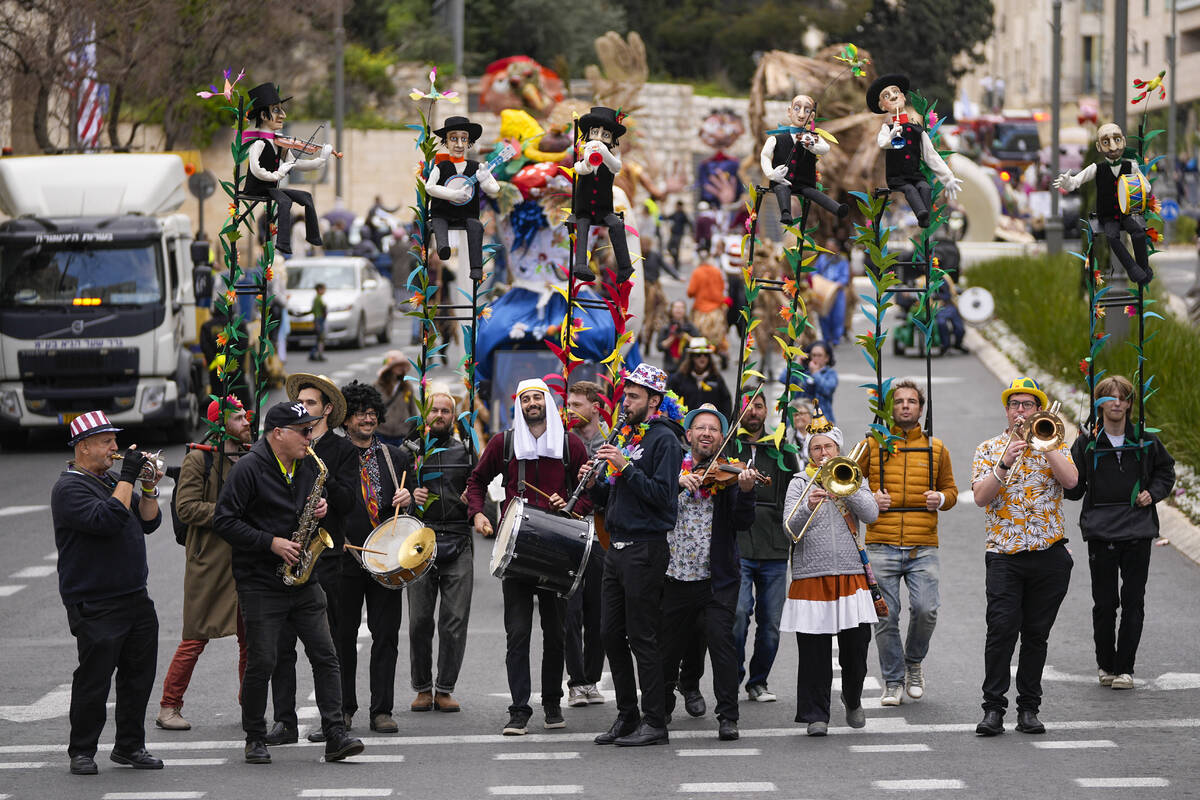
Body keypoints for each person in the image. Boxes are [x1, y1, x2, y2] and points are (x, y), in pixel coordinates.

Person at [214, 400, 365, 764]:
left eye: (311, 429)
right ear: (277, 433)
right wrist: (270, 542)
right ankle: (254, 736)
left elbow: (313, 504)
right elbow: (223, 520)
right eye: (303, 431)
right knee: (262, 661)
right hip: (261, 581)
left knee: (326, 656)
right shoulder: (249, 469)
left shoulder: (309, 466)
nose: (310, 437)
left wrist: (322, 507)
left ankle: (335, 734)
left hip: (304, 577)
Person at [465, 379, 591, 735]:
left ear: (547, 403)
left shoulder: (570, 444)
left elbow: (590, 490)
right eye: (525, 398)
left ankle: (552, 703)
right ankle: (519, 709)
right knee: (517, 634)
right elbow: (476, 481)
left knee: (556, 633)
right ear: (518, 404)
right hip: (516, 548)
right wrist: (478, 512)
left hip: (557, 549)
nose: (532, 403)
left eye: (538, 397)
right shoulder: (504, 443)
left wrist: (570, 506)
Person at [52, 411, 165, 775]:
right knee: (94, 679)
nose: (114, 448)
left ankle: (130, 746)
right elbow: (107, 519)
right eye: (106, 442)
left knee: (138, 677)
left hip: (135, 595)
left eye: (114, 441)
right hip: (95, 601)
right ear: (83, 447)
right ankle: (82, 750)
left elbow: (149, 521)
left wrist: (148, 484)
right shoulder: (69, 487)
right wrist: (129, 476)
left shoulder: (113, 480)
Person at [580, 363, 686, 748]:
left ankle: (655, 720)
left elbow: (663, 497)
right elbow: (613, 499)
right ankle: (627, 715)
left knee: (643, 637)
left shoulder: (665, 441)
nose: (627, 402)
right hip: (618, 547)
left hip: (646, 548)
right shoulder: (627, 435)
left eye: (635, 396)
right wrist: (595, 485)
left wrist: (625, 468)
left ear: (655, 401)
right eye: (626, 395)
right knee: (610, 634)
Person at [971, 377, 1078, 736]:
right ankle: (993, 709)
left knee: (1036, 635)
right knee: (1001, 631)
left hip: (1049, 554)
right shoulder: (988, 448)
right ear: (1006, 410)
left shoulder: (1055, 441)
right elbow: (983, 497)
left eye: (1027, 405)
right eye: (1015, 404)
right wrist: (1003, 463)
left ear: (1038, 410)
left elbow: (1073, 481)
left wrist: (1045, 445)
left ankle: (1029, 708)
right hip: (1004, 555)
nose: (1020, 410)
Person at [1065, 375, 1175, 690]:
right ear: (1098, 403)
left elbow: (1165, 470)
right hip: (1101, 530)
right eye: (1108, 397)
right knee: (1104, 602)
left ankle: (1125, 668)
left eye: (1123, 397)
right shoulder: (1087, 442)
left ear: (1129, 403)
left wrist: (1152, 493)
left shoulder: (1145, 440)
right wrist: (1062, 470)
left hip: (1137, 529)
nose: (1116, 402)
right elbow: (1075, 488)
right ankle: (1106, 664)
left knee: (1133, 600)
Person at [266, 373, 358, 744]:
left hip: (328, 558)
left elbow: (349, 502)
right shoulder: (286, 443)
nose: (305, 409)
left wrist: (327, 496)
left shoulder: (342, 450)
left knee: (330, 646)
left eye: (313, 404)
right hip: (289, 556)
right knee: (280, 647)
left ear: (328, 409)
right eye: (301, 403)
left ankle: (336, 717)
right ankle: (284, 721)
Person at [854, 380, 958, 706]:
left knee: (927, 609)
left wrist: (939, 498)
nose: (905, 406)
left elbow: (952, 492)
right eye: (898, 401)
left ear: (921, 408)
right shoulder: (872, 445)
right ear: (890, 409)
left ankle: (913, 661)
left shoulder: (937, 449)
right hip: (881, 543)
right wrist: (870, 499)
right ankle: (893, 681)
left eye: (912, 401)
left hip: (922, 544)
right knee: (886, 616)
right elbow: (847, 482)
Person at [662, 404, 759, 741]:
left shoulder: (730, 475)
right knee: (668, 648)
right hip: (674, 575)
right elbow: (651, 501)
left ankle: (728, 717)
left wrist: (746, 493)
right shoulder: (671, 466)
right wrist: (675, 483)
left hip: (717, 579)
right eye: (700, 428)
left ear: (722, 437)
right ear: (688, 435)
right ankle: (659, 710)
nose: (707, 433)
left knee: (722, 645)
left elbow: (743, 523)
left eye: (714, 429)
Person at [157, 398, 252, 731]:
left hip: (245, 559)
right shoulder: (200, 459)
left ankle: (249, 705)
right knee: (195, 637)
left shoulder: (251, 454)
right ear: (220, 423)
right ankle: (169, 706)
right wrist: (230, 515)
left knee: (249, 639)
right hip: (210, 560)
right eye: (238, 416)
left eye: (246, 415)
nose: (246, 421)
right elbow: (187, 509)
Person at [782, 415, 879, 736]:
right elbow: (790, 530)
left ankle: (852, 699)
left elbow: (871, 513)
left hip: (851, 575)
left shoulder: (853, 476)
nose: (823, 453)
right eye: (817, 448)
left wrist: (846, 488)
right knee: (813, 651)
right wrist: (808, 504)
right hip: (811, 577)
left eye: (829, 447)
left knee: (856, 648)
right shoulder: (799, 482)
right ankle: (815, 715)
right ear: (809, 453)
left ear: (838, 448)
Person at [336, 381, 415, 732]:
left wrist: (409, 500)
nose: (367, 419)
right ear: (345, 418)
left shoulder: (396, 457)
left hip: (386, 560)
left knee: (386, 635)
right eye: (359, 413)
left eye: (371, 413)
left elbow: (414, 516)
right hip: (345, 558)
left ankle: (381, 710)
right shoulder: (330, 457)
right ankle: (343, 708)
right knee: (342, 637)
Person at [726, 389, 800, 704]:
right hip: (738, 545)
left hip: (773, 548)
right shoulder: (727, 447)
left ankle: (759, 680)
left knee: (770, 623)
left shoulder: (781, 448)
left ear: (767, 411)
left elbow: (793, 493)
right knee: (739, 614)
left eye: (758, 405)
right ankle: (734, 674)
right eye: (747, 405)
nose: (753, 411)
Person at [408, 390, 475, 712]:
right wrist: (410, 496)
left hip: (459, 540)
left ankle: (445, 688)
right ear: (424, 416)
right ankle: (422, 688)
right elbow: (394, 496)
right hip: (420, 542)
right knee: (420, 619)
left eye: (446, 411)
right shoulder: (411, 452)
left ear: (454, 416)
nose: (439, 415)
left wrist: (472, 500)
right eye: (433, 410)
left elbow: (485, 499)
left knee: (454, 619)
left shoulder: (466, 452)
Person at [1053, 123, 1154, 285]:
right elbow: (1076, 182)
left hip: (1126, 212)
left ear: (1124, 141)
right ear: (1099, 147)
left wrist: (1140, 187)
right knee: (1112, 237)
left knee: (1139, 233)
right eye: (1106, 142)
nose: (1113, 146)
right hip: (1107, 216)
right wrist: (1067, 182)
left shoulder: (1131, 166)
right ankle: (1133, 269)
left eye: (1117, 140)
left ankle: (1143, 267)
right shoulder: (1096, 168)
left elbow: (1146, 187)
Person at [241, 82, 332, 255]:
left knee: (306, 197)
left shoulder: (279, 143)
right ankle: (283, 243)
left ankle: (314, 237)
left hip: (271, 187)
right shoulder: (259, 143)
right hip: (258, 188)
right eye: (276, 110)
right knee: (285, 201)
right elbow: (256, 169)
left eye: (281, 110)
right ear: (263, 115)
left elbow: (296, 164)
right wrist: (277, 173)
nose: (283, 115)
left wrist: (321, 160)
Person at [866, 74, 962, 228]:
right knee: (910, 190)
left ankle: (925, 218)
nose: (892, 96)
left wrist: (948, 177)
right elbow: (883, 143)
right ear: (883, 106)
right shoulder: (887, 128)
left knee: (925, 187)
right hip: (897, 177)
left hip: (915, 174)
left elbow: (931, 155)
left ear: (903, 97)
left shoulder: (917, 129)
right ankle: (921, 214)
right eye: (886, 95)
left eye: (895, 92)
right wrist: (892, 134)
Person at [564, 380, 609, 707]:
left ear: (596, 407)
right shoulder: (562, 441)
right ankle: (576, 681)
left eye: (577, 405)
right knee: (570, 610)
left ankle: (592, 679)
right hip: (569, 528)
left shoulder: (612, 442)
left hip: (603, 530)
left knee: (599, 612)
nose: (570, 410)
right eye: (568, 404)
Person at [423, 116, 502, 281]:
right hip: (442, 213)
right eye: (453, 139)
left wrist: (485, 178)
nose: (459, 144)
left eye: (463, 139)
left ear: (468, 142)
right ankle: (443, 248)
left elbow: (494, 190)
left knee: (476, 227)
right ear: (446, 142)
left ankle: (476, 268)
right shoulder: (441, 166)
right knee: (438, 223)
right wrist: (452, 194)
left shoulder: (475, 167)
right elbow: (429, 187)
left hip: (468, 214)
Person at [760, 94, 849, 224]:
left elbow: (825, 148)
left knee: (814, 193)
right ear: (789, 112)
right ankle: (786, 213)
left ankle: (837, 208)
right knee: (781, 189)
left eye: (807, 111)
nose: (801, 115)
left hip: (804, 183)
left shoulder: (812, 137)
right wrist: (772, 174)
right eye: (797, 109)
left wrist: (812, 145)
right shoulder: (776, 139)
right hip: (782, 180)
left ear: (811, 116)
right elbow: (765, 156)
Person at [572, 106, 634, 282]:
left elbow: (616, 167)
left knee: (617, 225)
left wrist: (604, 153)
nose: (599, 138)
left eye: (605, 135)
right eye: (595, 132)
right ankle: (581, 265)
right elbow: (579, 169)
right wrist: (587, 160)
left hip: (604, 210)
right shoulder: (584, 154)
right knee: (582, 228)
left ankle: (624, 266)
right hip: (584, 209)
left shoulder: (611, 159)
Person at [668, 337, 732, 419]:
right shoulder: (679, 378)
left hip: (710, 425)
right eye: (698, 355)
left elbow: (726, 402)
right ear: (692, 357)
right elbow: (670, 402)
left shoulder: (716, 378)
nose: (702, 358)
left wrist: (723, 422)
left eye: (706, 355)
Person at [687, 252, 730, 358]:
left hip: (701, 310)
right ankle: (721, 351)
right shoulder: (717, 271)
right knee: (719, 334)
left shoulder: (697, 272)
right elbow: (722, 288)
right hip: (716, 309)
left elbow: (690, 292)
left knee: (698, 334)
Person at [375, 350, 420, 446]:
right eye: (397, 365)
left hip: (402, 433)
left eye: (402, 365)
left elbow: (412, 409)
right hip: (381, 433)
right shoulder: (378, 386)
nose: (401, 368)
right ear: (389, 368)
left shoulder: (407, 386)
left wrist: (412, 426)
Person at [812, 239, 850, 344]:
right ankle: (826, 338)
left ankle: (835, 338)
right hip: (823, 291)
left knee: (837, 316)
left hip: (837, 292)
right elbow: (814, 272)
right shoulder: (822, 259)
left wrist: (839, 284)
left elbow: (845, 276)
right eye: (827, 245)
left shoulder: (842, 260)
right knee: (823, 314)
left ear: (837, 248)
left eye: (831, 246)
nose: (828, 248)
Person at [798, 341, 838, 423]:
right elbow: (783, 379)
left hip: (824, 419)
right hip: (802, 419)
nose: (816, 358)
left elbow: (828, 389)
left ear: (827, 358)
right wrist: (796, 364)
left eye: (819, 355)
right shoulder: (804, 373)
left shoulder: (830, 374)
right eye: (813, 355)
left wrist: (816, 373)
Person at [657, 300, 700, 375]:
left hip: (687, 368)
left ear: (685, 310)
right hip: (669, 367)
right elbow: (660, 347)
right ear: (671, 310)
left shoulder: (690, 327)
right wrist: (672, 337)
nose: (678, 310)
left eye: (681, 308)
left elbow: (699, 344)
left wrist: (685, 336)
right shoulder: (666, 327)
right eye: (676, 307)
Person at [308, 283, 328, 362]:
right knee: (320, 338)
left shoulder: (316, 298)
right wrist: (324, 314)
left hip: (316, 319)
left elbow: (312, 310)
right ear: (319, 290)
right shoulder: (319, 299)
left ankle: (315, 354)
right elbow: (324, 307)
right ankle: (316, 354)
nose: (324, 291)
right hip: (319, 320)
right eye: (323, 289)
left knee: (319, 338)